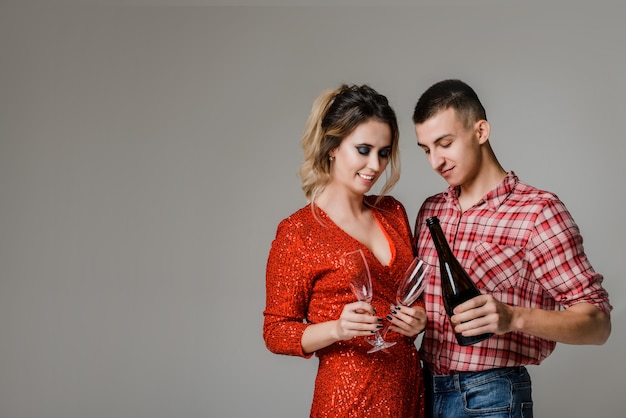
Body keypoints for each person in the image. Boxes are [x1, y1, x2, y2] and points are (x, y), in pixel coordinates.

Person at [411, 79, 612, 418]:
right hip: (423, 389)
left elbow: (598, 323)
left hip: (491, 397)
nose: (435, 161)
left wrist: (513, 316)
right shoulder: (432, 212)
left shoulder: (539, 211)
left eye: (444, 143)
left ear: (481, 131)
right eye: (426, 149)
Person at [263, 84, 427, 417]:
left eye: (384, 152)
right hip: (348, 398)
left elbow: (410, 292)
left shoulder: (392, 212)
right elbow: (276, 331)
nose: (375, 165)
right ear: (333, 147)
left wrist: (419, 318)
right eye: (363, 149)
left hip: (408, 391)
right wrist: (337, 328)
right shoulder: (298, 231)